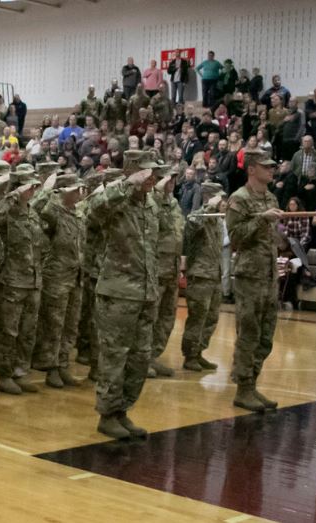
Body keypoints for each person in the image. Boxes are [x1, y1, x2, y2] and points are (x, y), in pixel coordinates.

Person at [89, 154, 160, 439]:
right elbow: (94, 210)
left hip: (145, 293)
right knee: (115, 356)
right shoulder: (115, 200)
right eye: (148, 173)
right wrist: (126, 183)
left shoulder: (150, 204)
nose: (153, 178)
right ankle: (107, 414)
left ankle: (123, 410)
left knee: (140, 357)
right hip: (118, 292)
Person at [226, 150, 283, 413]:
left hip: (269, 275)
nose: (272, 170)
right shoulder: (239, 199)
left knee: (265, 335)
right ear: (251, 169)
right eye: (266, 166)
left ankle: (253, 383)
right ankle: (243, 388)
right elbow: (235, 238)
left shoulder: (270, 196)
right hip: (249, 276)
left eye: (273, 166)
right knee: (248, 334)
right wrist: (261, 219)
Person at [0, 169, 45, 395]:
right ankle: (4, 374)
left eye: (34, 187)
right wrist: (13, 194)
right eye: (29, 187)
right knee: (8, 331)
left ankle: (20, 371)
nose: (33, 191)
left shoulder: (32, 212)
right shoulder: (7, 211)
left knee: (28, 330)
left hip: (33, 280)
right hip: (12, 280)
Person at [33, 170, 86, 389]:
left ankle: (63, 364)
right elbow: (36, 208)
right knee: (53, 325)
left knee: (70, 325)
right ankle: (51, 367)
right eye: (75, 190)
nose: (79, 193)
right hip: (57, 276)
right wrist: (48, 190)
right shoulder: (53, 212)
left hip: (75, 277)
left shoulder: (78, 213)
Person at [181, 182, 226, 372]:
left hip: (213, 274)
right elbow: (191, 227)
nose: (223, 201)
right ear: (209, 197)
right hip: (200, 275)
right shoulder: (199, 215)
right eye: (220, 197)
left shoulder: (217, 219)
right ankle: (190, 355)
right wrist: (208, 207)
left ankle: (199, 351)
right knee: (197, 317)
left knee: (211, 317)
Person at [148, 169, 183, 378]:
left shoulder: (175, 204)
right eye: (167, 178)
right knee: (150, 316)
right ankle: (142, 359)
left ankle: (153, 355)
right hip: (157, 267)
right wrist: (158, 193)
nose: (171, 182)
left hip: (172, 266)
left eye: (174, 178)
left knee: (167, 316)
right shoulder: (151, 201)